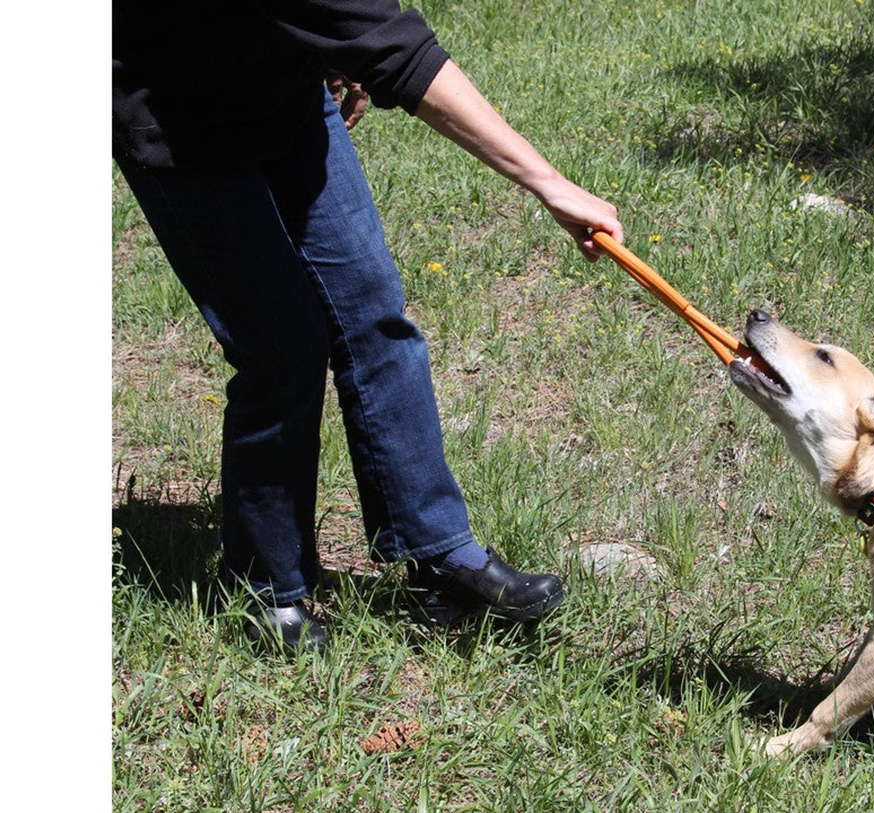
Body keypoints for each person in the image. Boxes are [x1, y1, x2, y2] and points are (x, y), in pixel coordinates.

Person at [113, 0, 624, 653]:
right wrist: (549, 183)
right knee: (282, 348)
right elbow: (396, 50)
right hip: (176, 118)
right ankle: (266, 590)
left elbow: (357, 21)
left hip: (282, 97)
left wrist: (324, 48)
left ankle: (441, 555)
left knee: (373, 314)